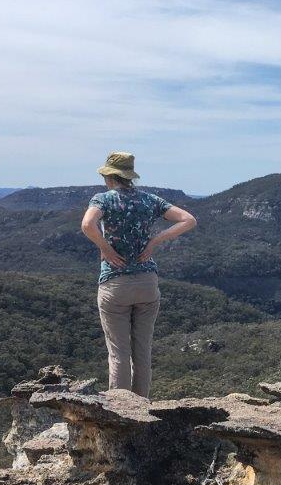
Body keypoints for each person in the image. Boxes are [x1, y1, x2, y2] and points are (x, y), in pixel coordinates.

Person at [81, 152, 197, 397]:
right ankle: (141, 408)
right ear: (129, 176)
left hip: (115, 283)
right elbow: (188, 220)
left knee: (119, 354)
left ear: (110, 176)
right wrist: (156, 240)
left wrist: (106, 249)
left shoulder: (103, 199)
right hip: (147, 283)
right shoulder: (149, 200)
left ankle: (121, 414)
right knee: (142, 353)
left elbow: (87, 225)